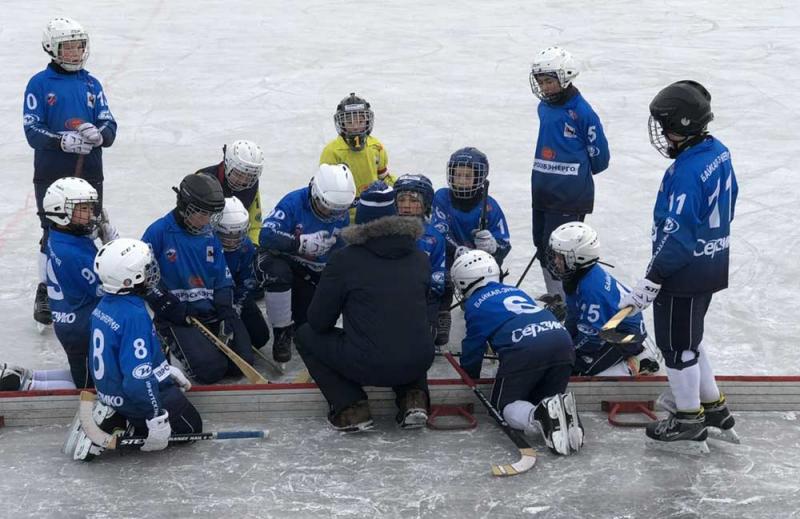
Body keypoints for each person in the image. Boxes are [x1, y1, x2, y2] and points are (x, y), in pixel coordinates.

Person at [619, 80, 739, 453]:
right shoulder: (717, 152)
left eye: (666, 125)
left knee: (677, 349)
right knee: (692, 340)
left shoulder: (686, 172)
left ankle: (689, 420)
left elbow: (677, 234)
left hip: (682, 272)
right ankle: (714, 408)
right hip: (712, 262)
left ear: (684, 125)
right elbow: (730, 200)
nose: (662, 134)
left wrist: (653, 278)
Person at [295, 185, 434, 432]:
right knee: (406, 330)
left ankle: (350, 406)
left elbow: (318, 321)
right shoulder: (421, 257)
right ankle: (414, 397)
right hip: (420, 360)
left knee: (306, 335)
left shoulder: (345, 260)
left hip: (369, 364)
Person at [62, 238, 201, 461]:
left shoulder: (106, 303)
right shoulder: (134, 316)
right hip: (130, 398)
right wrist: (155, 418)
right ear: (131, 277)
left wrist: (164, 371)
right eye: (146, 267)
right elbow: (137, 380)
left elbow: (126, 357)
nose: (152, 270)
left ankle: (116, 414)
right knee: (191, 428)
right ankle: (121, 424)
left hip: (110, 392)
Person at [24, 17, 117, 327]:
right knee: (52, 229)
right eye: (68, 47)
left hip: (89, 170)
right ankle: (45, 289)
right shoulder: (39, 84)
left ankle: (91, 282)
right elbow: (32, 130)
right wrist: (62, 140)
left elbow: (110, 127)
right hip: (52, 171)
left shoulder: (92, 84)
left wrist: (99, 134)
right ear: (53, 49)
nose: (76, 53)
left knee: (88, 225)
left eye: (80, 46)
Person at [451, 250, 582, 455]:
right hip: (562, 341)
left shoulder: (475, 304)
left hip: (526, 348)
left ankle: (538, 417)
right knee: (545, 396)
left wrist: (470, 375)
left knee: (503, 406)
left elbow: (473, 346)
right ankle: (559, 415)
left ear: (464, 281)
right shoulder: (516, 291)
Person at [141, 174, 254, 385]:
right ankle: (166, 340)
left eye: (211, 214)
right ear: (185, 206)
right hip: (180, 315)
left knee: (241, 363)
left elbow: (221, 276)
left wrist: (225, 308)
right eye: (202, 213)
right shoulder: (158, 232)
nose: (207, 220)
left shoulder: (209, 233)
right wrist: (167, 305)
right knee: (211, 371)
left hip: (209, 312)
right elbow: (142, 278)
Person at [528, 46, 609, 302]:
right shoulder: (544, 107)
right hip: (542, 189)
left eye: (549, 81)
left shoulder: (582, 112)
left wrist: (575, 177)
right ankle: (556, 297)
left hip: (568, 195)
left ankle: (568, 301)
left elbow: (600, 157)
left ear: (565, 77)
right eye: (541, 81)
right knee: (541, 244)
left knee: (560, 250)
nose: (544, 87)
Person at [257, 164, 355, 363]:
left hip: (313, 272)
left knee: (309, 327)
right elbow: (265, 236)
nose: (333, 214)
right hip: (287, 263)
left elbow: (341, 249)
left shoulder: (339, 212)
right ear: (315, 194)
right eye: (327, 207)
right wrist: (298, 243)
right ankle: (281, 334)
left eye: (339, 210)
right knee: (277, 271)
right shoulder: (293, 202)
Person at [547, 222, 660, 377]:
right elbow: (574, 314)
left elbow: (592, 338)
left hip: (626, 336)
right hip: (610, 326)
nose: (555, 261)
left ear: (577, 257)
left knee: (578, 368)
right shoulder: (578, 276)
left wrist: (569, 351)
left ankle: (639, 363)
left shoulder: (591, 290)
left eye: (560, 257)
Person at [430, 147, 511, 347]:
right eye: (457, 175)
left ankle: (488, 319)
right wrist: (457, 249)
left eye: (468, 176)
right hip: (449, 257)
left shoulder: (490, 206)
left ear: (479, 177)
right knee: (441, 279)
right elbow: (437, 231)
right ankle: (442, 313)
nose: (462, 180)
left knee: (489, 283)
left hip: (478, 263)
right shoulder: (441, 197)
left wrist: (493, 246)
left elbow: (505, 244)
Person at [42, 177, 118, 387]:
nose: (91, 214)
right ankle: (26, 384)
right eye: (82, 209)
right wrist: (112, 247)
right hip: (80, 327)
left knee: (84, 374)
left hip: (73, 320)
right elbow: (109, 286)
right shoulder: (73, 254)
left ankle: (30, 378)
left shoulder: (60, 236)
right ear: (60, 211)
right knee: (89, 385)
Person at [393, 174, 446, 342]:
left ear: (426, 204)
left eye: (414, 200)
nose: (406, 206)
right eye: (401, 200)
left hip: (421, 299)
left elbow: (438, 273)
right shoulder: (385, 230)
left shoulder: (434, 237)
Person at [214, 197, 270, 351]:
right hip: (212, 300)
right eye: (227, 236)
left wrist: (237, 306)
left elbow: (247, 280)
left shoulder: (246, 247)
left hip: (233, 295)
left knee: (260, 337)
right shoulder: (206, 246)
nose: (233, 242)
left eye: (237, 235)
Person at [320, 93, 393, 208]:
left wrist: (399, 188)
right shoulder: (331, 151)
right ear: (341, 123)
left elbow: (383, 177)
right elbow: (327, 186)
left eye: (360, 121)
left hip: (372, 207)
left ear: (368, 121)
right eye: (349, 122)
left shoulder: (376, 146)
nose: (355, 127)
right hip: (343, 210)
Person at [196, 139, 264, 246]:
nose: (242, 181)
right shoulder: (203, 179)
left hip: (235, 242)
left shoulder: (252, 186)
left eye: (249, 177)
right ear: (227, 164)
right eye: (238, 174)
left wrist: (253, 248)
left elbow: (255, 225)